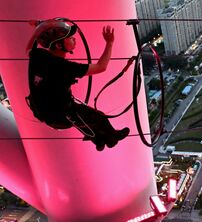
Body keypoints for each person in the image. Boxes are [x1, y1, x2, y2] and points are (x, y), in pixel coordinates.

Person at [26, 18, 130, 151]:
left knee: (83, 117)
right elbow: (101, 67)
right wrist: (110, 43)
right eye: (70, 38)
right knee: (99, 118)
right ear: (58, 45)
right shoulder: (65, 67)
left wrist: (39, 29)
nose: (74, 40)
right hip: (60, 115)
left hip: (42, 112)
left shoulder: (38, 56)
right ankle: (112, 138)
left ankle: (98, 140)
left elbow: (28, 49)